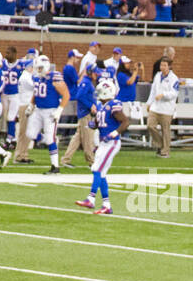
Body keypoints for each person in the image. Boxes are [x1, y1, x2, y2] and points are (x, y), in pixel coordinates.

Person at [76, 77, 127, 217]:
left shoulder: (113, 105)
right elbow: (100, 123)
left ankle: (91, 199)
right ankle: (106, 205)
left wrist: (114, 133)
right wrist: (94, 125)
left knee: (96, 168)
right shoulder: (100, 106)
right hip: (104, 143)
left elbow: (125, 121)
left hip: (112, 142)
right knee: (101, 173)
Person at [25, 56, 68, 174]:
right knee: (30, 133)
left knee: (50, 139)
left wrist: (59, 111)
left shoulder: (54, 77)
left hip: (51, 111)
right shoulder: (36, 78)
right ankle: (49, 139)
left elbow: (66, 95)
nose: (38, 70)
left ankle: (55, 167)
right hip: (38, 110)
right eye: (36, 68)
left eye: (40, 68)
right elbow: (36, 92)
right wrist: (31, 105)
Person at [147, 57, 181, 158]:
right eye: (161, 65)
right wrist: (149, 103)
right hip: (155, 107)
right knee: (150, 125)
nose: (162, 67)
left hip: (167, 109)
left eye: (164, 65)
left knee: (165, 130)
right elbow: (153, 90)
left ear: (169, 66)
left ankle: (165, 151)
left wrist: (163, 94)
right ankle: (160, 145)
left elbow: (174, 93)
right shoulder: (157, 75)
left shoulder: (174, 78)